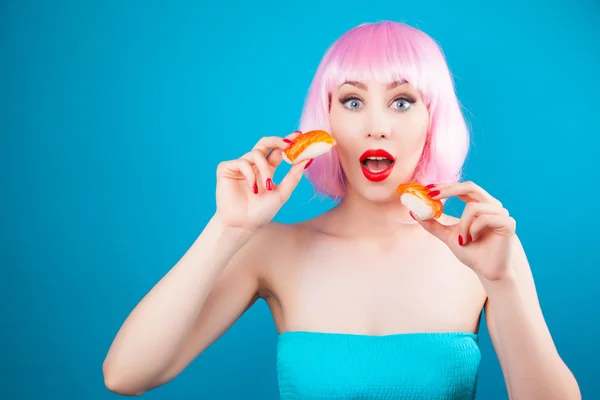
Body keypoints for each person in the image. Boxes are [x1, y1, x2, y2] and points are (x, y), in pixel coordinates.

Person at [102, 21, 581, 399]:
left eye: (401, 101)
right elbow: (126, 375)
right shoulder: (272, 249)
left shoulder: (481, 253)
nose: (376, 127)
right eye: (353, 100)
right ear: (326, 119)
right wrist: (226, 228)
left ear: (431, 122)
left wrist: (503, 281)